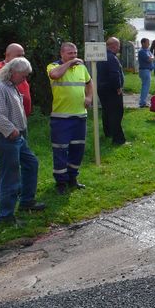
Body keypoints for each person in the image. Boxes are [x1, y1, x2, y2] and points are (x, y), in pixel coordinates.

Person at [0, 57, 43, 224]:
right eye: (23, 76)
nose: (24, 80)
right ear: (12, 72)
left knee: (31, 163)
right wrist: (12, 131)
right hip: (6, 137)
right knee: (10, 176)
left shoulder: (10, 85)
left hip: (16, 137)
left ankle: (26, 201)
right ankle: (5, 216)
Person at [47, 42, 92, 194]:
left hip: (80, 116)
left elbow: (89, 82)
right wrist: (71, 63)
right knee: (60, 150)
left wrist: (89, 97)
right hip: (61, 118)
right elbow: (54, 75)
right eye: (70, 53)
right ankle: (61, 182)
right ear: (62, 54)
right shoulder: (53, 66)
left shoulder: (81, 68)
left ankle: (72, 178)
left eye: (75, 53)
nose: (74, 56)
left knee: (77, 149)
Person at [96, 36, 127, 145]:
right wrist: (118, 87)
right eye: (118, 45)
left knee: (106, 111)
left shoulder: (102, 57)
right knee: (116, 113)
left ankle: (108, 132)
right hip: (112, 89)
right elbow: (114, 74)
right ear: (114, 46)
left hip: (102, 88)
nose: (119, 47)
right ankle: (118, 139)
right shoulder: (112, 58)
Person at [137, 37, 154, 108]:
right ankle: (142, 102)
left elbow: (152, 57)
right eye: (147, 43)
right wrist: (152, 58)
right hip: (144, 70)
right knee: (145, 87)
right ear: (143, 43)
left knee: (146, 86)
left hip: (147, 71)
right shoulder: (142, 52)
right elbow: (149, 59)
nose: (149, 44)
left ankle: (143, 101)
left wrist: (152, 58)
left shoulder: (147, 50)